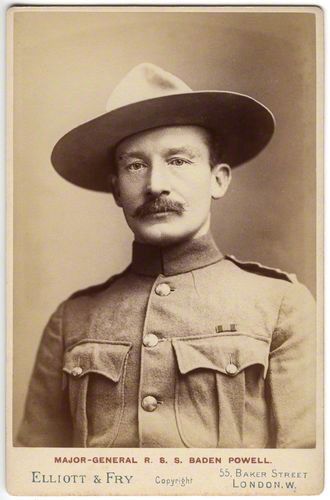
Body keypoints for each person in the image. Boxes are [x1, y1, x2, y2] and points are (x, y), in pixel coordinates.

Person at [16, 63, 315, 448]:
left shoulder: (281, 306)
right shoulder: (72, 320)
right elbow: (36, 471)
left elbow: (303, 469)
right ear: (117, 190)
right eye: (136, 165)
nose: (156, 184)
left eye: (178, 161)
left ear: (218, 179)